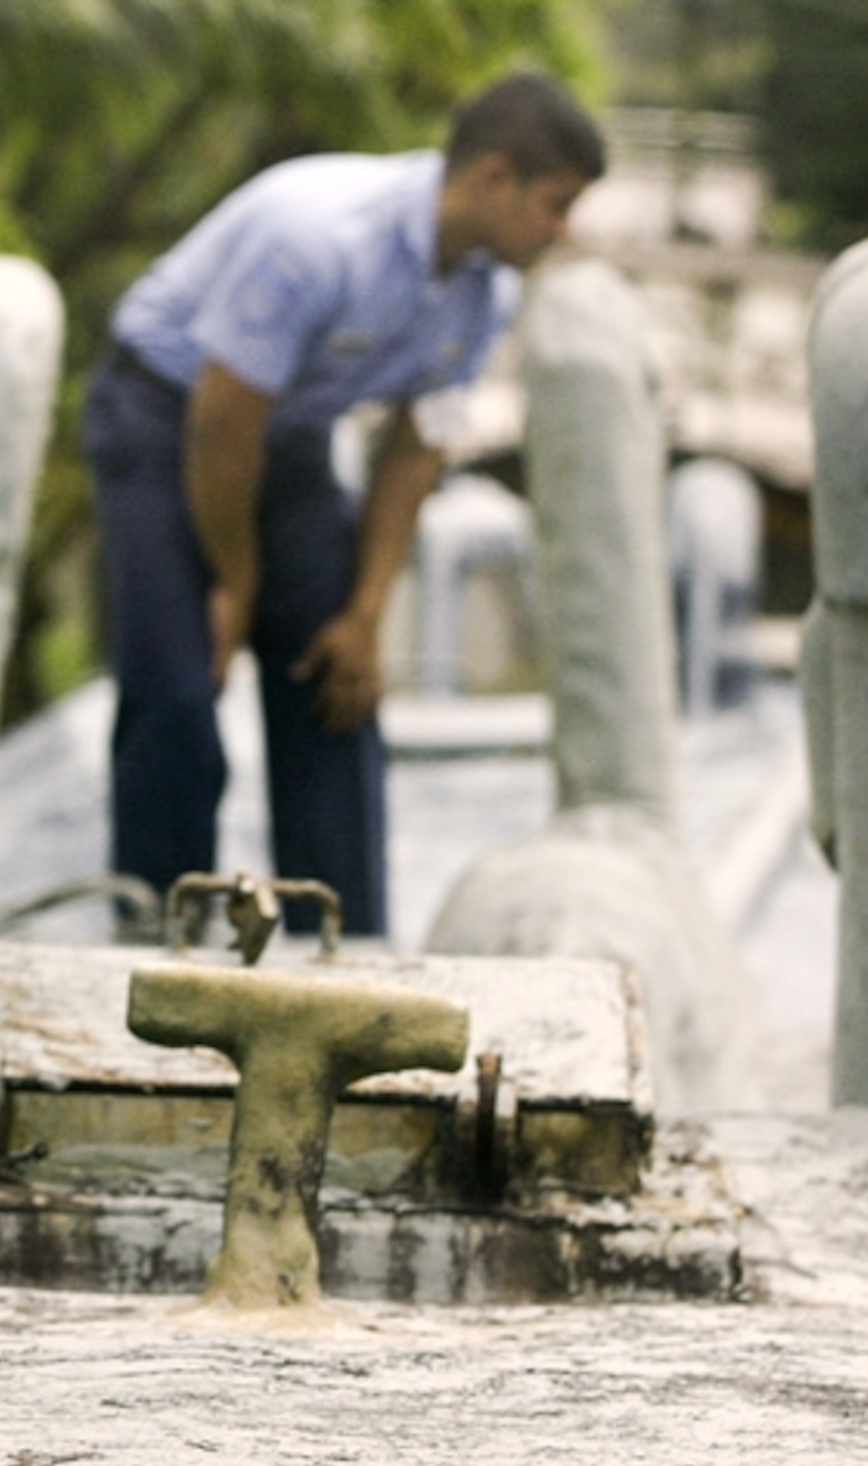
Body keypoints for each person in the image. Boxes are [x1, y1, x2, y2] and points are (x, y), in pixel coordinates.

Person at [81, 70, 604, 937]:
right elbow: (220, 426)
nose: (563, 231)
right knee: (177, 693)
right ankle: (160, 948)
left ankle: (344, 951)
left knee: (340, 681)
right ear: (493, 179)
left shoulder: (484, 290)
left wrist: (364, 613)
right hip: (163, 419)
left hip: (283, 440)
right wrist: (235, 585)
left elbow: (413, 450)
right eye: (555, 205)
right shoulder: (316, 238)